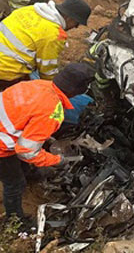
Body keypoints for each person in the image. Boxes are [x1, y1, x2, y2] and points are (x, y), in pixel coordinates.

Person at [0, 63, 94, 223]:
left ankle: (30, 174)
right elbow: (26, 151)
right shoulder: (52, 111)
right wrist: (57, 160)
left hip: (5, 130)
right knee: (14, 184)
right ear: (77, 90)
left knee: (20, 166)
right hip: (2, 147)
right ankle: (14, 220)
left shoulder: (38, 85)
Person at [0, 0, 91, 89]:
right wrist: (55, 89)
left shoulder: (29, 10)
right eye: (76, 23)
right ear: (69, 18)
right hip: (5, 72)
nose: (76, 27)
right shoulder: (54, 34)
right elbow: (47, 72)